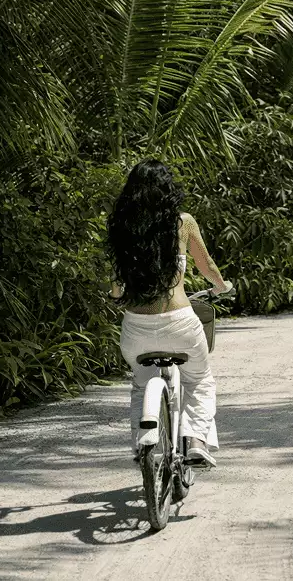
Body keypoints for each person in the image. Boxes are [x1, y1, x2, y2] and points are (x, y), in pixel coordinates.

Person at [106, 160, 232, 468]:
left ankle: (143, 446)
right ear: (168, 189)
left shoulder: (122, 225)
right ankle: (196, 441)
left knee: (141, 384)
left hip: (137, 329)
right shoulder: (183, 222)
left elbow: (116, 281)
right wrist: (222, 286)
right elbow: (207, 266)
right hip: (180, 324)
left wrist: (115, 296)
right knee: (199, 381)